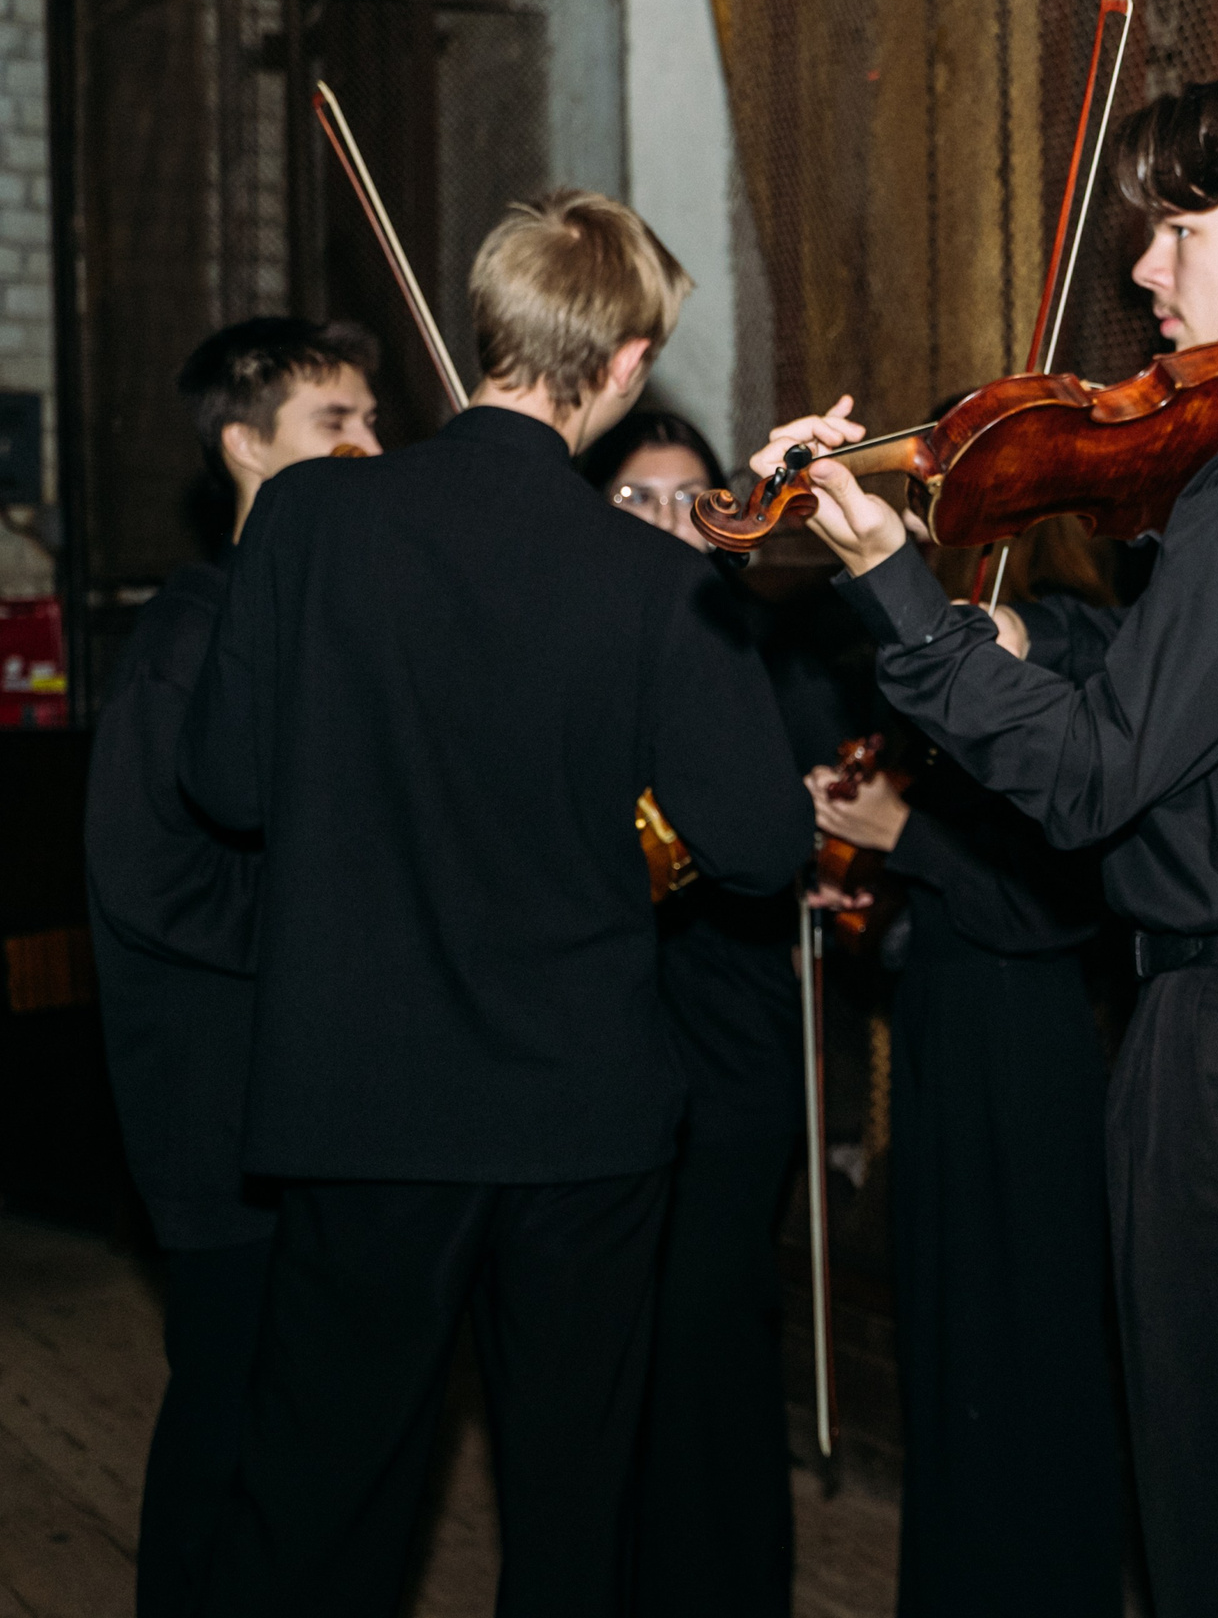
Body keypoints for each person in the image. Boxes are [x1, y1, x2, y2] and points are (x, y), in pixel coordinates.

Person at [763, 61, 1218, 1615]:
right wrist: (1035, 653)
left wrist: (892, 578)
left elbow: (1090, 788)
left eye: (1178, 232)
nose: (1145, 272)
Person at [179, 192, 812, 1618]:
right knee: (571, 1519)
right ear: (631, 361)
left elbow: (226, 783)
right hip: (576, 1118)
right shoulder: (653, 579)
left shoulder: (308, 518)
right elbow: (766, 845)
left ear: (491, 329)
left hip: (359, 1102)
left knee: (317, 1503)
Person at [85, 315, 380, 1618]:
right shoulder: (193, 636)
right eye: (338, 422)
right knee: (226, 1419)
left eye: (375, 417)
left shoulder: (319, 619)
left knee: (306, 1432)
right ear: (243, 445)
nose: (374, 444)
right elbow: (150, 878)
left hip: (309, 1097)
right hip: (222, 1108)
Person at [802, 527, 1125, 1618]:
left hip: (1029, 1047)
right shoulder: (950, 652)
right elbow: (944, 895)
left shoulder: (1071, 652)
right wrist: (866, 899)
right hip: (948, 1027)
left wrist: (901, 837)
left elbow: (1051, 903)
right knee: (949, 1341)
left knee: (1025, 1346)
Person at [582, 407, 849, 1617]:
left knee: (714, 1331)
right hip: (600, 1051)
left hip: (734, 1052)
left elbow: (802, 807)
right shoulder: (564, 648)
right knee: (610, 1345)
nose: (665, 522)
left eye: (688, 499)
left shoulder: (763, 645)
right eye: (634, 500)